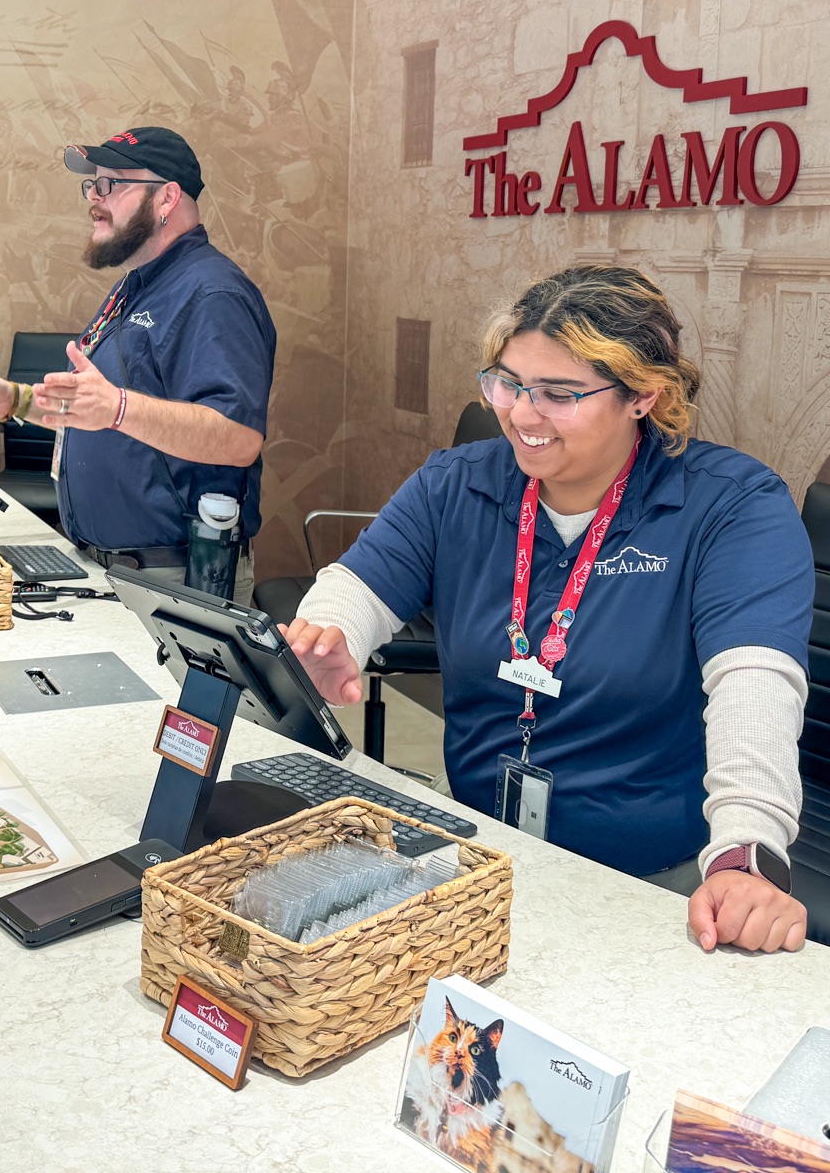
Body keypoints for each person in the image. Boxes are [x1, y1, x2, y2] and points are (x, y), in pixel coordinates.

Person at [282, 266, 814, 954]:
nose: (522, 415)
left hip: (648, 883)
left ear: (643, 396)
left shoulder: (733, 508)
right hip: (477, 852)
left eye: (560, 395)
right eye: (508, 383)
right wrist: (327, 637)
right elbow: (358, 585)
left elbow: (755, 686)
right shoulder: (456, 483)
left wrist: (747, 853)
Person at [0, 127, 275, 602]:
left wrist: (117, 408)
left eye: (111, 184)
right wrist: (15, 400)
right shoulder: (136, 287)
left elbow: (239, 439)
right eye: (92, 185)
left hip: (176, 580)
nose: (94, 198)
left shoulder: (213, 294)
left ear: (167, 198)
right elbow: (95, 410)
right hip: (106, 567)